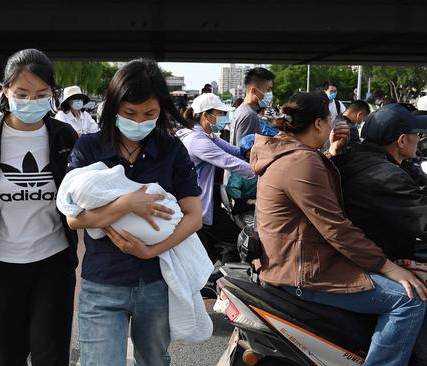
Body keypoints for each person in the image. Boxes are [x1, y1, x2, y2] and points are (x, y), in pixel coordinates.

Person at [251, 91, 427, 366]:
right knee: (409, 299)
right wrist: (388, 267)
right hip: (304, 271)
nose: (336, 126)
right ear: (319, 124)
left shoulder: (289, 152)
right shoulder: (302, 161)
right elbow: (336, 229)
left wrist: (331, 152)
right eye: (331, 120)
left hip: (294, 261)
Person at [66, 59, 202, 366]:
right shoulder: (89, 148)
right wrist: (126, 205)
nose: (139, 121)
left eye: (149, 114)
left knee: (155, 360)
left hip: (156, 281)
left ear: (161, 111)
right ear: (114, 107)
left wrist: (149, 250)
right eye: (129, 113)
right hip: (102, 282)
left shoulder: (172, 150)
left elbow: (193, 215)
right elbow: (74, 218)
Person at [0, 49, 79, 366]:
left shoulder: (64, 136)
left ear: (53, 94)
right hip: (0, 268)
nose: (31, 102)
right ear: (5, 91)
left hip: (52, 264)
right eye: (22, 94)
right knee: (8, 355)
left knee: (50, 356)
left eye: (41, 94)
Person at [332, 103, 427, 364]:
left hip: (377, 251)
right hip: (371, 261)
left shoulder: (366, 157)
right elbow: (422, 218)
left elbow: (418, 189)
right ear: (401, 139)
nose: (420, 140)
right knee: (413, 297)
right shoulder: (382, 174)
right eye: (417, 135)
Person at [177, 93, 254, 264]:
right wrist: (263, 172)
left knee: (212, 249)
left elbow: (234, 152)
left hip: (207, 200)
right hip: (198, 206)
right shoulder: (198, 140)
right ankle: (225, 282)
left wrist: (253, 153)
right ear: (206, 115)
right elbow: (230, 162)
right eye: (220, 113)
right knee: (237, 240)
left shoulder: (207, 135)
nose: (224, 117)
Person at [231, 67, 275, 146]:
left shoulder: (241, 109)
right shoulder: (250, 115)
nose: (270, 93)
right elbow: (247, 153)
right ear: (254, 91)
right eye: (268, 90)